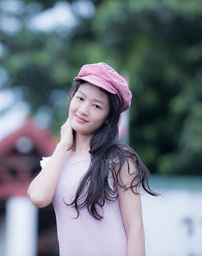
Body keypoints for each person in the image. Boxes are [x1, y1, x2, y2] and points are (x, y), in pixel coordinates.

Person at [28, 62, 158, 256]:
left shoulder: (118, 161)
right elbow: (38, 197)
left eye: (96, 105)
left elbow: (135, 228)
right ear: (71, 98)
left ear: (108, 116)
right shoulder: (56, 162)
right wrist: (63, 144)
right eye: (80, 98)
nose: (83, 109)